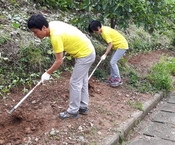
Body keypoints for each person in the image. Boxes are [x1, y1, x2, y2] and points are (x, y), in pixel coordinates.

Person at [27, 14, 96, 119]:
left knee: (75, 82)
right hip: (87, 49)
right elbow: (70, 33)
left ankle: (73, 111)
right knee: (82, 80)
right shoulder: (53, 24)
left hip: (85, 55)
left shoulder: (56, 37)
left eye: (35, 32)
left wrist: (47, 73)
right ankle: (83, 107)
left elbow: (59, 61)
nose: (35, 35)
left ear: (44, 28)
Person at [88, 20, 128, 87]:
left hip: (122, 46)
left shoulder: (105, 32)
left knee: (113, 62)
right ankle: (113, 78)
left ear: (98, 27)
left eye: (95, 31)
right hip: (117, 46)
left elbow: (110, 44)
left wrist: (105, 54)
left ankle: (118, 79)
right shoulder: (104, 29)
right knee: (111, 62)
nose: (95, 32)